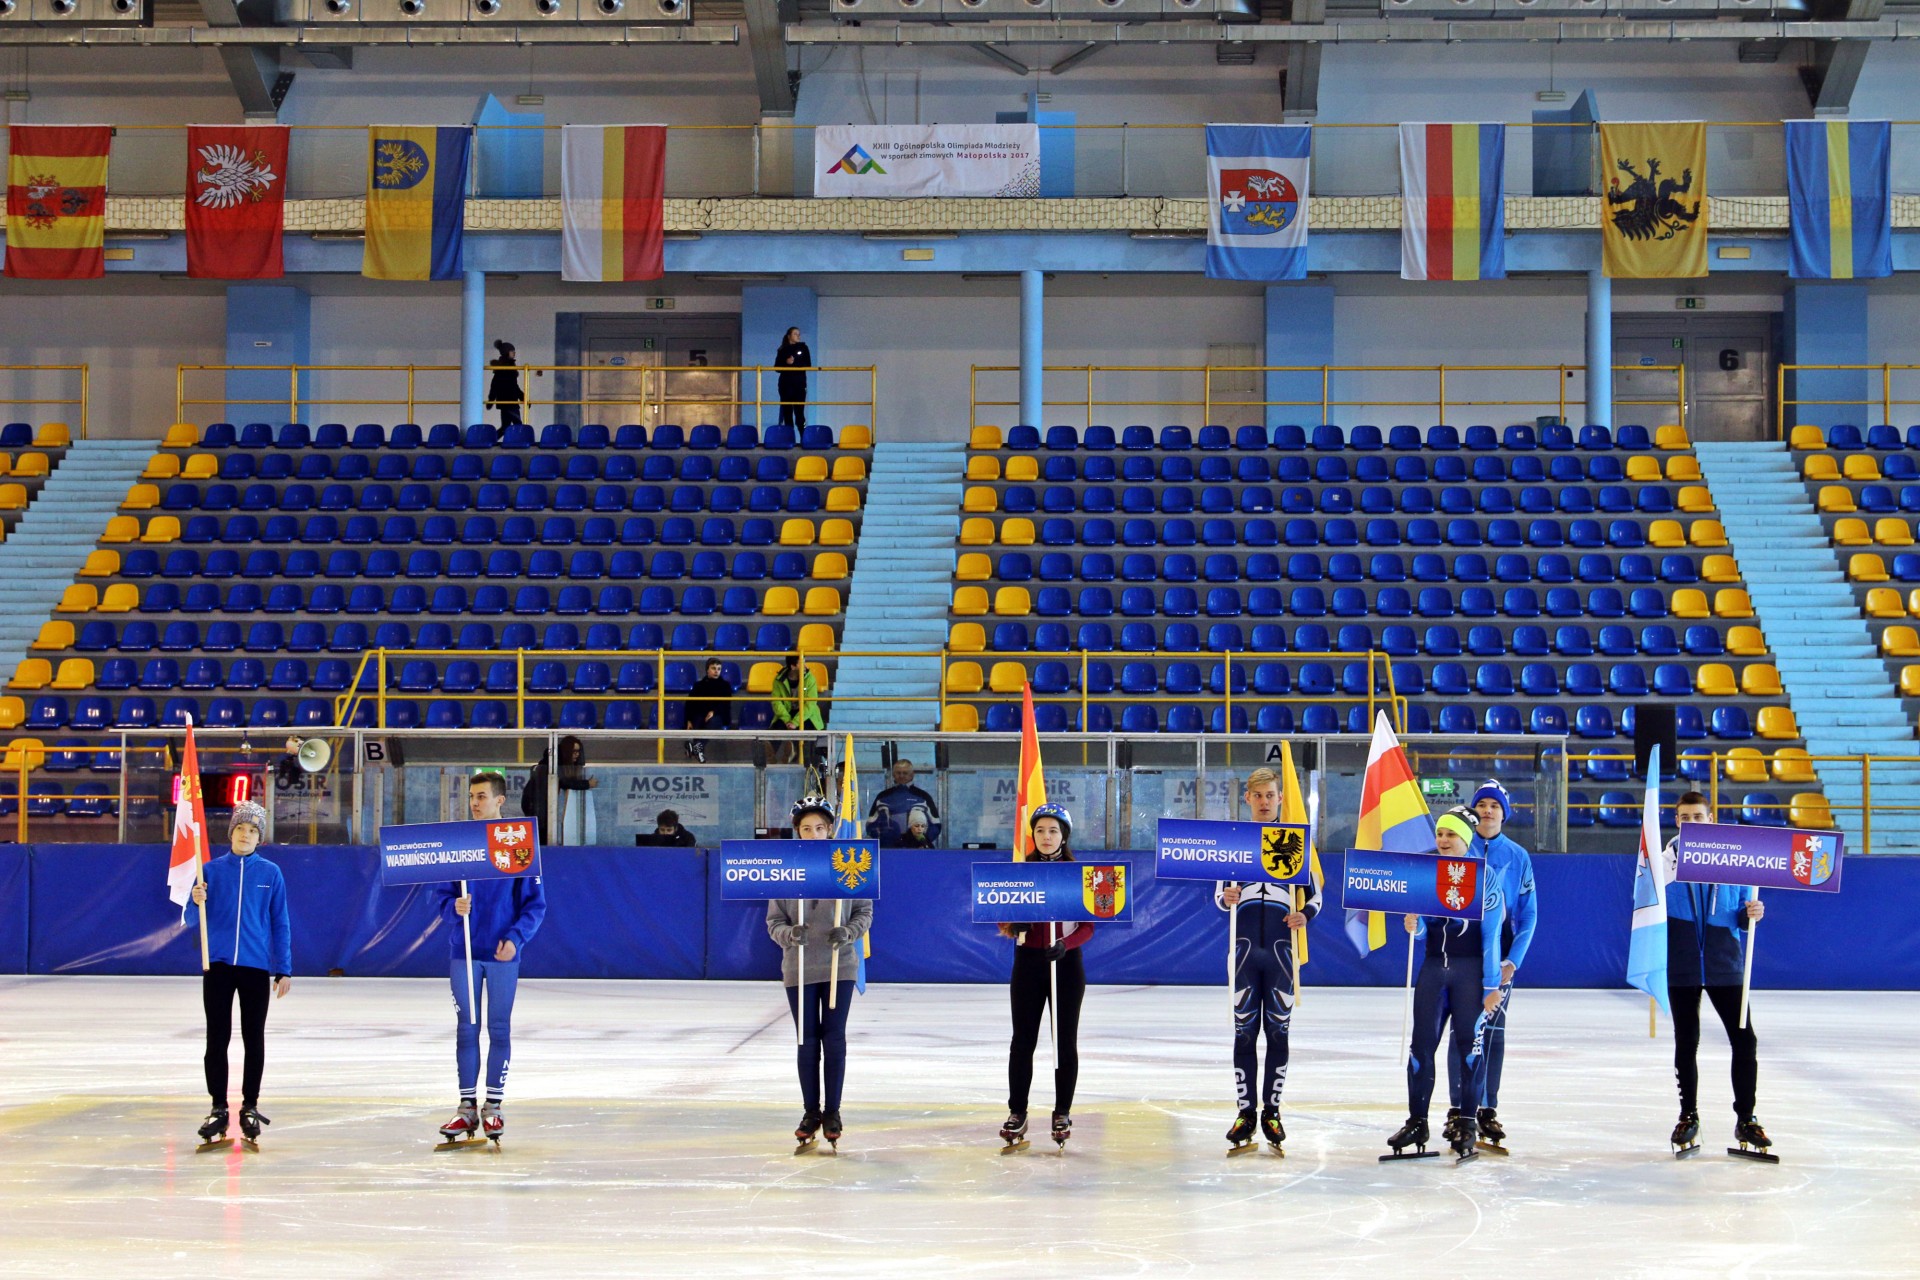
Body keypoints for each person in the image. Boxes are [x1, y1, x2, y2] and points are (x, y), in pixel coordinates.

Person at [1386, 805, 1507, 1161]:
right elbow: (1425, 928)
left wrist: (1490, 985)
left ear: (1465, 838)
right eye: (1439, 834)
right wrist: (1415, 926)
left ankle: (1468, 1122)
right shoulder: (1428, 871)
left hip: (1470, 974)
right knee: (1420, 1048)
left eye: (1450, 834)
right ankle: (1417, 1121)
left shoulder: (1484, 878)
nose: (1442, 840)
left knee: (1471, 1049)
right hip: (1433, 970)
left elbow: (1491, 936)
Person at [435, 772, 548, 1146]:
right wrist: (454, 906)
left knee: (498, 1029)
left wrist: (516, 939)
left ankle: (493, 1106)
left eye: (481, 796)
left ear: (500, 801)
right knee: (467, 1028)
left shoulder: (519, 843)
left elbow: (535, 905)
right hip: (464, 953)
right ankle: (467, 1107)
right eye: (471, 796)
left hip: (501, 955)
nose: (475, 802)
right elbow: (438, 897)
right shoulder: (458, 845)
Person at [1215, 766, 1320, 1152]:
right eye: (1257, 796)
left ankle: (1272, 1112)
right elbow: (1217, 894)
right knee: (1244, 1033)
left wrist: (1304, 915)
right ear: (1248, 799)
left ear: (1280, 799)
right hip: (1242, 952)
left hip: (1281, 953)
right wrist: (1225, 898)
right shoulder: (1233, 842)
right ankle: (1245, 1114)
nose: (1264, 802)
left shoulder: (1295, 842)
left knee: (1278, 1032)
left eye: (1270, 795)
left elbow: (1316, 895)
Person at [1664, 791, 1769, 1157]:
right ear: (1676, 821)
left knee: (1744, 1041)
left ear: (1710, 820)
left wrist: (1751, 912)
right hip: (1682, 964)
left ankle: (1747, 1118)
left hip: (1726, 964)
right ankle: (1688, 1115)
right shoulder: (1663, 863)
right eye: (1685, 817)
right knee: (1686, 1041)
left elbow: (1740, 912)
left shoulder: (1734, 859)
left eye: (1698, 817)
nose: (1691, 823)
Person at [766, 795, 873, 1151]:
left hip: (837, 965)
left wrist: (849, 933)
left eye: (820, 828)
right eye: (806, 828)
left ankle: (834, 1111)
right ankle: (811, 1111)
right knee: (806, 1039)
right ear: (798, 833)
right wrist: (788, 934)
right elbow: (774, 921)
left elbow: (863, 912)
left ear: (830, 831)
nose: (814, 834)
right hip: (798, 967)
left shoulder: (849, 866)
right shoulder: (786, 871)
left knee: (834, 1037)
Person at [189, 800, 293, 1152]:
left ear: (259, 837)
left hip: (254, 967)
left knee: (254, 1037)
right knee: (216, 1038)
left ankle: (250, 1105)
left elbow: (280, 922)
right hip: (217, 965)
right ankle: (218, 1106)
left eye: (251, 830)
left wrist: (284, 968)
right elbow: (191, 919)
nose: (245, 835)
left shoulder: (270, 874)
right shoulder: (210, 871)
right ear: (230, 832)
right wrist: (196, 899)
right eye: (240, 829)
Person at [1441, 778, 1537, 1150]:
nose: (1487, 811)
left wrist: (1514, 959)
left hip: (1499, 956)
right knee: (1461, 1033)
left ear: (1504, 813)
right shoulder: (1454, 850)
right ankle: (1455, 1109)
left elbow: (1528, 916)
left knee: (1492, 1033)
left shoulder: (1517, 857)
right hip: (1461, 953)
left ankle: (1486, 1108)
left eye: (1495, 806)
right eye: (1482, 805)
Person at [998, 802, 1092, 1151]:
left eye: (1053, 831)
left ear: (1063, 836)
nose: (1046, 836)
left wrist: (1066, 944)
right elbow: (1001, 911)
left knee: (1064, 1040)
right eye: (1040, 830)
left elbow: (1088, 925)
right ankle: (1017, 1111)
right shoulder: (1020, 871)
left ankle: (1062, 1112)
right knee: (1022, 1040)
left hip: (1066, 964)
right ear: (1033, 835)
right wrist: (1013, 925)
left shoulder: (1076, 873)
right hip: (1028, 963)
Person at [523, 735, 598, 846]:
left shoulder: (551, 764)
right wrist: (587, 784)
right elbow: (565, 782)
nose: (577, 755)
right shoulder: (551, 765)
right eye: (574, 751)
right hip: (541, 816)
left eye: (578, 751)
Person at [869, 758, 940, 846]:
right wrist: (882, 840)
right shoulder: (882, 797)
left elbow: (936, 825)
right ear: (893, 774)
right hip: (887, 849)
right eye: (898, 773)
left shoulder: (923, 797)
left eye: (905, 773)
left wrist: (923, 843)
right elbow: (871, 824)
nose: (901, 776)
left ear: (912, 775)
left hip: (916, 850)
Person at [770, 654, 823, 765]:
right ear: (793, 666)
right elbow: (776, 702)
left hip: (806, 714)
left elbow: (810, 704)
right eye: (801, 663)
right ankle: (770, 758)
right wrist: (787, 719)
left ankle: (807, 762)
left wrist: (795, 722)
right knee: (776, 728)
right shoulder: (779, 680)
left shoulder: (810, 678)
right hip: (787, 713)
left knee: (808, 729)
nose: (805, 666)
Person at [684, 658, 734, 764]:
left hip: (719, 716)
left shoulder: (725, 686)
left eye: (719, 669)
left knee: (712, 721)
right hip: (700, 715)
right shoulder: (699, 685)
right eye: (713, 668)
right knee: (697, 721)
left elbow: (725, 705)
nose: (716, 671)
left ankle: (695, 748)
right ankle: (699, 752)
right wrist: (688, 720)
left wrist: (714, 712)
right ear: (707, 670)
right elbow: (690, 703)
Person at [486, 340, 532, 430]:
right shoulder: (507, 368)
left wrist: (491, 400)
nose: (514, 353)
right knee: (517, 425)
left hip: (506, 402)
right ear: (507, 353)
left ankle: (493, 440)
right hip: (510, 401)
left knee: (505, 426)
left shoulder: (503, 367)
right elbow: (513, 386)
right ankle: (519, 441)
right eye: (512, 352)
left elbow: (495, 385)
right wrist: (524, 398)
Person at [775, 327, 811, 430]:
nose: (798, 336)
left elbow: (808, 364)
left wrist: (794, 363)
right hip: (785, 385)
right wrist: (786, 363)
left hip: (799, 384)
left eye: (799, 334)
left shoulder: (803, 348)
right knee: (787, 413)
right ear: (789, 336)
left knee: (799, 412)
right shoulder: (782, 350)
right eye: (795, 334)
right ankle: (789, 438)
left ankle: (803, 437)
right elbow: (776, 367)